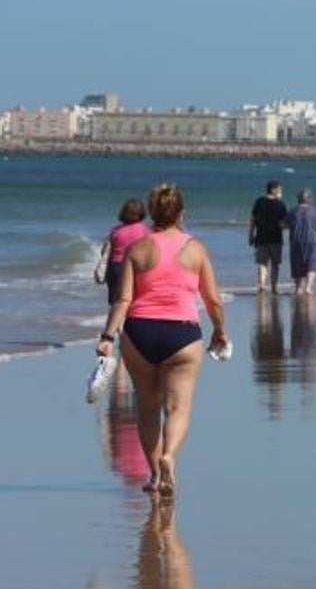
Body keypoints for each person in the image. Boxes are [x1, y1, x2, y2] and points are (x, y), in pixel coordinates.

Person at [95, 183, 228, 495]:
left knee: (147, 407)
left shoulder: (137, 249)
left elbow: (123, 300)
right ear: (182, 212)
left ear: (151, 213)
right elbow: (213, 299)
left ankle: (155, 475)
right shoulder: (195, 248)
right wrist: (220, 330)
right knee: (178, 407)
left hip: (139, 333)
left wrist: (107, 336)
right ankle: (168, 457)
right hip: (182, 334)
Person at [96, 198, 150, 305]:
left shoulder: (115, 230)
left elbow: (104, 252)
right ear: (141, 214)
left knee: (116, 301)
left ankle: (116, 320)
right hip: (135, 267)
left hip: (115, 267)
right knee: (133, 300)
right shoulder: (145, 230)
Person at [250, 180, 288, 293]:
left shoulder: (259, 202)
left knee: (262, 263)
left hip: (261, 237)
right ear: (273, 190)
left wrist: (251, 235)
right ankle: (274, 287)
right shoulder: (281, 204)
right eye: (280, 190)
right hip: (276, 238)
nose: (281, 192)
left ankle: (261, 285)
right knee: (275, 264)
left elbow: (253, 220)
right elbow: (283, 224)